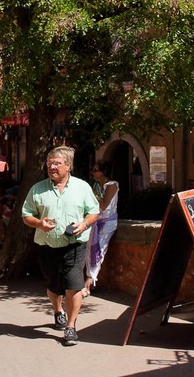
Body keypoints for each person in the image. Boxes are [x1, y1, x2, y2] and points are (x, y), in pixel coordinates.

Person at [21, 145, 101, 346]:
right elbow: (26, 215)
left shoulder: (82, 187)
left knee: (74, 285)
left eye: (57, 163)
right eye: (49, 163)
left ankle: (71, 327)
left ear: (68, 166)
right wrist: (39, 223)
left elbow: (94, 211)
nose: (52, 167)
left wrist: (83, 224)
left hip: (74, 245)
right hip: (47, 245)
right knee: (54, 285)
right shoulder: (37, 189)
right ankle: (58, 311)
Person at [84, 164, 121, 296]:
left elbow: (104, 205)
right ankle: (91, 281)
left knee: (98, 250)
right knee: (90, 249)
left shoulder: (111, 185)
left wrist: (93, 194)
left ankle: (89, 281)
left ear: (103, 172)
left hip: (107, 223)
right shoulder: (96, 186)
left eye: (95, 170)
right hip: (96, 221)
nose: (93, 172)